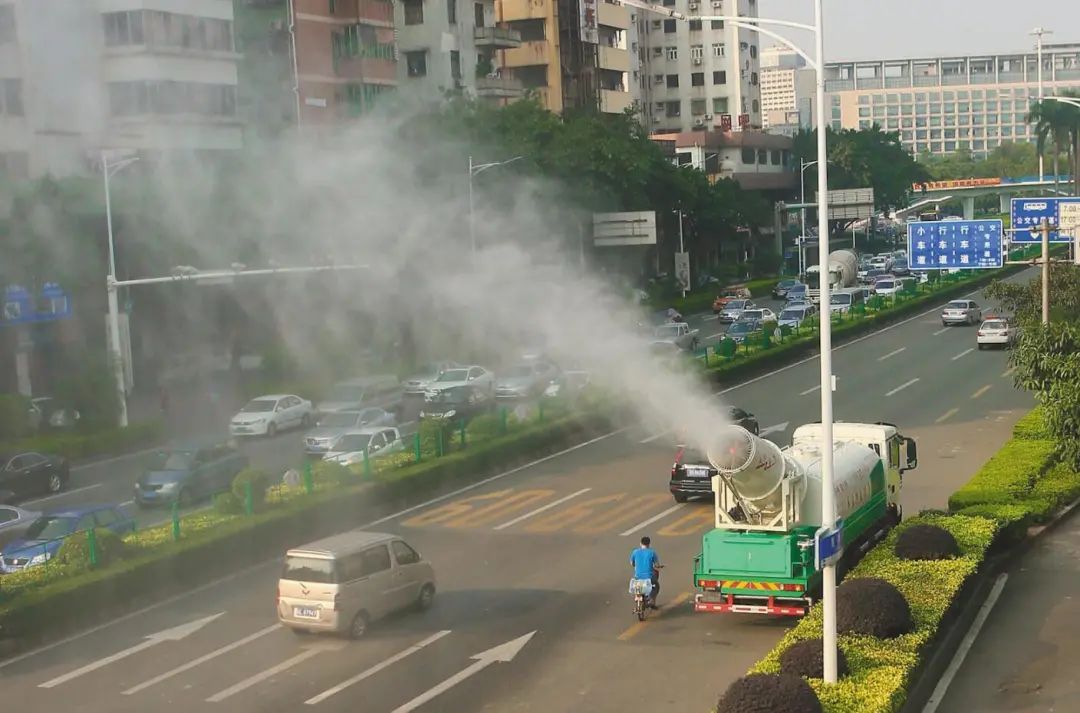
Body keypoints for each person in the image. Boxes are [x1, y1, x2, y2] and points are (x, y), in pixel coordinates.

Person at [629, 536, 661, 609]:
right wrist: (658, 567)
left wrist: (635, 565)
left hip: (637, 577)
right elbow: (657, 565)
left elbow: (632, 563)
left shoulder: (635, 552)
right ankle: (651, 600)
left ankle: (638, 596)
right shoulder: (652, 552)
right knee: (656, 586)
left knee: (636, 582)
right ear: (649, 544)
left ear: (640, 543)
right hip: (649, 577)